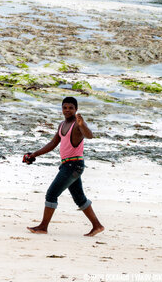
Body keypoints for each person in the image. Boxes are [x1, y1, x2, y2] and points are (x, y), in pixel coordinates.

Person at [24, 97, 104, 236]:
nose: (67, 110)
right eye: (65, 107)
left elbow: (89, 135)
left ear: (76, 109)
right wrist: (34, 154)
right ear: (61, 109)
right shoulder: (62, 125)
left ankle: (43, 227)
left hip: (73, 166)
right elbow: (53, 143)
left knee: (51, 194)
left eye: (71, 108)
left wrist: (83, 124)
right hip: (68, 165)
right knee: (80, 199)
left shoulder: (78, 125)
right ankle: (97, 226)